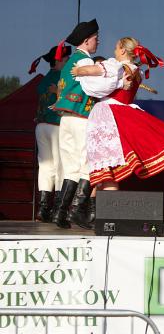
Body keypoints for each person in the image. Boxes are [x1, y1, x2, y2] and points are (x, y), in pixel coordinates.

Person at [75, 38, 164, 209]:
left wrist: (79, 70)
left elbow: (95, 81)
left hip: (109, 116)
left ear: (123, 50)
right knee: (107, 169)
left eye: (116, 48)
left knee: (106, 168)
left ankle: (102, 211)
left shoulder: (116, 67)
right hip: (123, 115)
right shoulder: (137, 71)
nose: (114, 51)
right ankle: (93, 209)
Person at [50, 19, 100, 229]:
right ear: (87, 40)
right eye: (96, 38)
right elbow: (96, 87)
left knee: (70, 168)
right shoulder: (85, 60)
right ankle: (77, 211)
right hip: (81, 117)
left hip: (65, 119)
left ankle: (59, 212)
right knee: (87, 165)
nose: (98, 41)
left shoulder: (69, 62)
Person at [29, 44, 71, 221]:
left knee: (46, 167)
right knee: (61, 166)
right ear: (59, 60)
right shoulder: (63, 78)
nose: (69, 62)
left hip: (42, 126)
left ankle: (43, 208)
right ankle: (58, 210)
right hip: (56, 126)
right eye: (67, 59)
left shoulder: (46, 78)